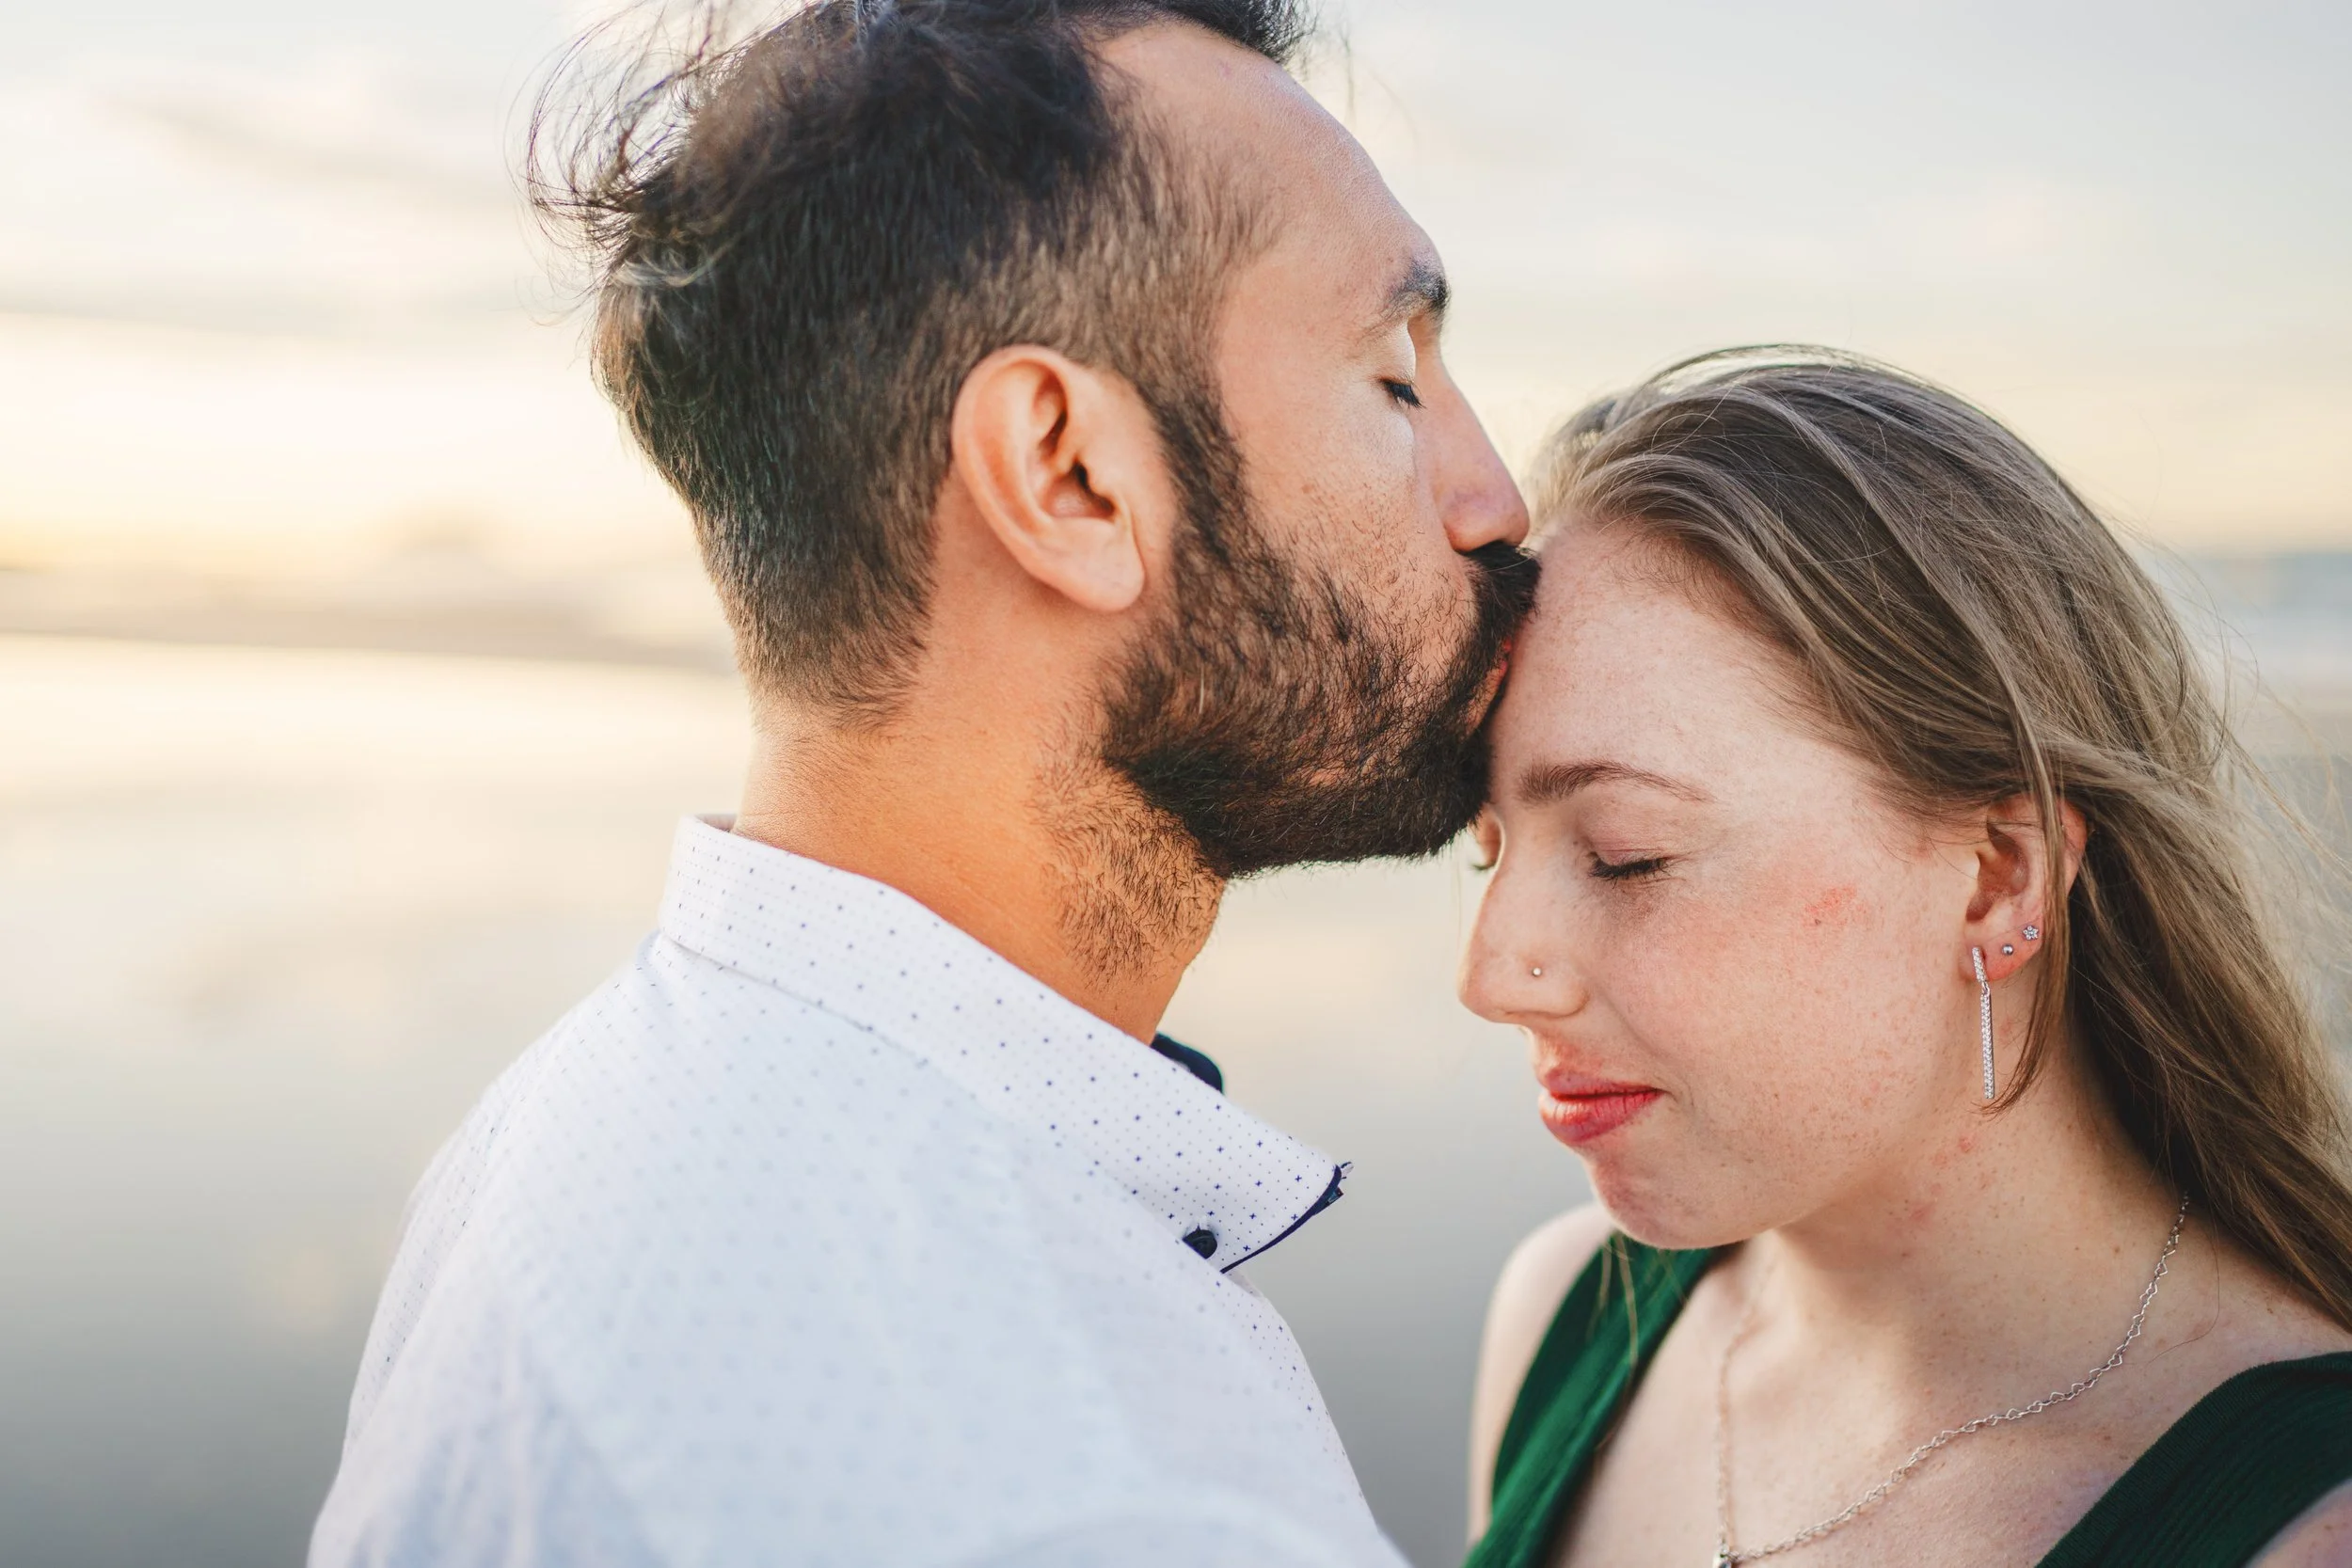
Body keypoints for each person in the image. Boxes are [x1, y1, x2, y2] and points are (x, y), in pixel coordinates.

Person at [309, 3, 1534, 1564]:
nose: (1496, 502)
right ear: (1066, 477)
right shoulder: (1084, 1497)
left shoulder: (572, 1125)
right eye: (1396, 379)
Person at [1459, 350, 2352, 1568]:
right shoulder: (1563, 1322)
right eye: (1489, 848)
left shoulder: (2305, 1523)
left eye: (1626, 856)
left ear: (1997, 879)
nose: (1491, 976)